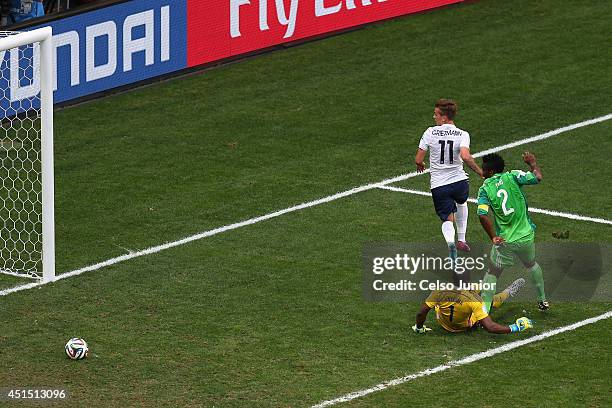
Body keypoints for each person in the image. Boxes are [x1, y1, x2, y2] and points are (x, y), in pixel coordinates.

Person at [477, 151, 549, 312]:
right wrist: (532, 164)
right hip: (526, 235)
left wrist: (493, 237)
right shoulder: (513, 176)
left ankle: (483, 312)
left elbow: (482, 215)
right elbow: (537, 177)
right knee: (531, 264)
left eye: (483, 169)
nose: (481, 171)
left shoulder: (484, 190)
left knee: (493, 272)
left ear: (490, 172)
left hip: (505, 240)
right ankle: (542, 300)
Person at [415, 99, 482, 266]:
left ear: (444, 117)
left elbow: (418, 158)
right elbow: (466, 157)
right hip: (460, 182)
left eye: (436, 114)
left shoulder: (430, 132)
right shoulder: (462, 134)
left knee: (447, 219)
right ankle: (462, 239)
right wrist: (480, 172)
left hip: (439, 185)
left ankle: (451, 245)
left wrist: (420, 164)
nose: (434, 117)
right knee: (462, 203)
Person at [412, 278, 533, 334]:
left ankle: (492, 288)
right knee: (489, 300)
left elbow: (421, 313)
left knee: (484, 288)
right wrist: (516, 327)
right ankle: (506, 293)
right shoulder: (474, 300)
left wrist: (419, 328)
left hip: (443, 322)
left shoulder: (439, 290)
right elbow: (490, 327)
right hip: (465, 325)